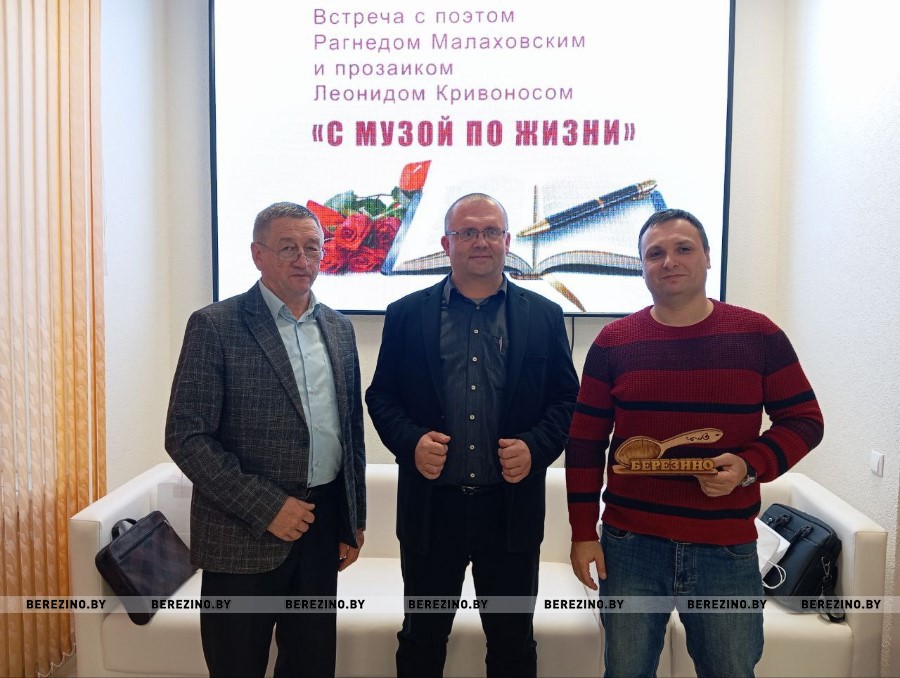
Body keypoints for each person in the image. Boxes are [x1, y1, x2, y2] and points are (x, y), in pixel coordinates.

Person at [566, 208, 824, 677]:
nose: (669, 261)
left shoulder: (759, 335)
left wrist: (748, 466)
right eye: (655, 253)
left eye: (683, 249)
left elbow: (804, 420)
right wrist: (583, 533)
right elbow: (585, 444)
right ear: (642, 267)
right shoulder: (612, 343)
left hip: (725, 548)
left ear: (707, 257)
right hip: (629, 547)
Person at [366, 193, 580, 677]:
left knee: (513, 645)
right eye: (467, 232)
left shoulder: (545, 315)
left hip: (510, 511)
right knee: (421, 641)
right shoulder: (406, 314)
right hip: (431, 511)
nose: (479, 241)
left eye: (490, 231)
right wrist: (411, 442)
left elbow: (567, 400)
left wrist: (536, 448)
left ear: (507, 241)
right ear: (446, 244)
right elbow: (382, 397)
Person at [165, 202, 366, 678]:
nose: (303, 259)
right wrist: (269, 507)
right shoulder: (215, 325)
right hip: (242, 532)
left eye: (312, 248)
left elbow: (350, 431)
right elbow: (186, 436)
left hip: (321, 527)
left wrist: (352, 519)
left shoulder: (339, 328)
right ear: (258, 255)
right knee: (237, 665)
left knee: (311, 664)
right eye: (287, 248)